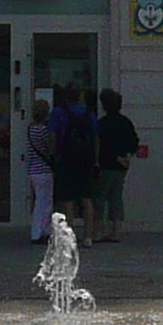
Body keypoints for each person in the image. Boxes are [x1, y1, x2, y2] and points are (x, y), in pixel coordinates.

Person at [91, 88, 146, 244]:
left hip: (107, 164)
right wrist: (127, 156)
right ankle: (116, 231)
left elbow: (103, 145)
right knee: (116, 197)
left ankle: (98, 231)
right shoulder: (125, 122)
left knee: (100, 197)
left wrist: (116, 158)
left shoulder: (102, 123)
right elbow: (134, 141)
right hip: (122, 166)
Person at [52, 81, 97, 242]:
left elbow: (53, 136)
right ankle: (88, 236)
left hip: (66, 158)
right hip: (85, 159)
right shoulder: (88, 113)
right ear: (81, 96)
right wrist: (96, 159)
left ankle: (69, 237)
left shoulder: (58, 112)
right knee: (87, 198)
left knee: (67, 200)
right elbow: (96, 137)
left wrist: (54, 155)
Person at [21, 93, 57, 244]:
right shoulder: (43, 130)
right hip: (44, 170)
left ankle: (40, 231)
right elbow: (48, 147)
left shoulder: (30, 129)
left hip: (33, 170)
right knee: (45, 202)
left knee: (39, 201)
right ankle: (40, 232)